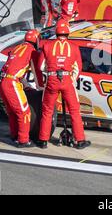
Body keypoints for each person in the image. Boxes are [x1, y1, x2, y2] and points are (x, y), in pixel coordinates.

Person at [37, 19, 90, 150]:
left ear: (56, 32)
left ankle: (43, 140)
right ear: (68, 32)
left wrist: (51, 73)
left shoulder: (47, 46)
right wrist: (70, 80)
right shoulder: (74, 47)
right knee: (74, 111)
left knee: (47, 110)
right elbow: (78, 68)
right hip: (67, 80)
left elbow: (40, 66)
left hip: (52, 79)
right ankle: (80, 140)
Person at [0, 29, 41, 148]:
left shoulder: (17, 47)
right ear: (36, 40)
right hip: (11, 82)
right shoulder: (32, 51)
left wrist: (25, 85)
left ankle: (14, 135)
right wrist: (40, 87)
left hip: (1, 80)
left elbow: (15, 66)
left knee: (12, 111)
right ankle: (23, 140)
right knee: (24, 112)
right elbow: (37, 73)